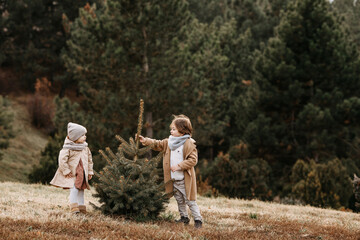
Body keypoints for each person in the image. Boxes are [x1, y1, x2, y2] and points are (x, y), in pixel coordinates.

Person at [137, 115, 203, 229]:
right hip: (173, 179)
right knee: (179, 200)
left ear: (182, 131)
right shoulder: (169, 142)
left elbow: (193, 160)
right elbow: (157, 143)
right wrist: (145, 140)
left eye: (173, 129)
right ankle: (184, 218)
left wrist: (179, 166)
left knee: (190, 200)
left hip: (184, 179)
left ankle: (198, 220)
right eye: (171, 128)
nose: (171, 131)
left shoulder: (189, 143)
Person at [50, 122, 94, 214]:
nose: (85, 136)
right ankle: (73, 206)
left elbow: (89, 160)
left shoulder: (85, 148)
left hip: (82, 173)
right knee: (74, 188)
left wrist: (90, 171)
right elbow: (62, 160)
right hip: (72, 173)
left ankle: (81, 207)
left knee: (81, 189)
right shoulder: (68, 148)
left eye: (85, 134)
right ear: (75, 137)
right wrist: (66, 170)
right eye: (82, 135)